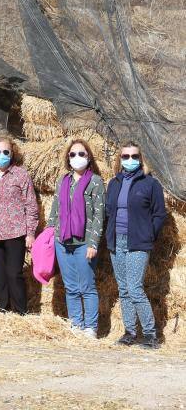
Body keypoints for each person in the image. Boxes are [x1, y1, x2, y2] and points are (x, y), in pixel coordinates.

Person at [106, 141, 166, 349]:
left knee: (134, 288)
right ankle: (130, 332)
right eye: (125, 156)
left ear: (140, 159)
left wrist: (148, 235)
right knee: (123, 289)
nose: (130, 160)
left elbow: (159, 214)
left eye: (134, 157)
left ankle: (150, 335)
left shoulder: (151, 184)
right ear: (120, 159)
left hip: (138, 242)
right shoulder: (114, 183)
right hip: (117, 241)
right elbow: (108, 212)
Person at [47, 138, 105, 338]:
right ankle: (76, 325)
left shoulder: (96, 181)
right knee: (71, 287)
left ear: (88, 157)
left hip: (84, 243)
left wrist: (93, 243)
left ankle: (90, 327)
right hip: (62, 242)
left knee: (87, 286)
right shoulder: (63, 181)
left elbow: (99, 216)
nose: (77, 157)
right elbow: (55, 211)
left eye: (81, 154)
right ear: (68, 158)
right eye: (73, 154)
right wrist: (49, 235)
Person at [0, 133, 38, 315]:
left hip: (16, 233)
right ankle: (3, 309)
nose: (1, 155)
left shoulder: (20, 175)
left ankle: (20, 312)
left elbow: (31, 204)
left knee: (14, 273)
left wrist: (31, 233)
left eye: (6, 151)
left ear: (12, 153)